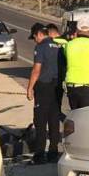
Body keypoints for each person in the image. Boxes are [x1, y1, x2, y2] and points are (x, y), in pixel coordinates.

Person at [27, 23, 63, 163]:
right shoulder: (58, 46)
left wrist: (30, 88)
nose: (34, 40)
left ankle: (39, 155)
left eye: (34, 37)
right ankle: (53, 152)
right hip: (56, 86)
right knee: (54, 119)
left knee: (40, 121)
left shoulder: (40, 47)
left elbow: (36, 70)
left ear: (39, 34)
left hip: (43, 86)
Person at [47, 23, 68, 113]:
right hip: (64, 77)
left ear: (50, 33)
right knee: (58, 100)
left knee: (52, 102)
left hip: (52, 77)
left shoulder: (50, 43)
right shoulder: (66, 42)